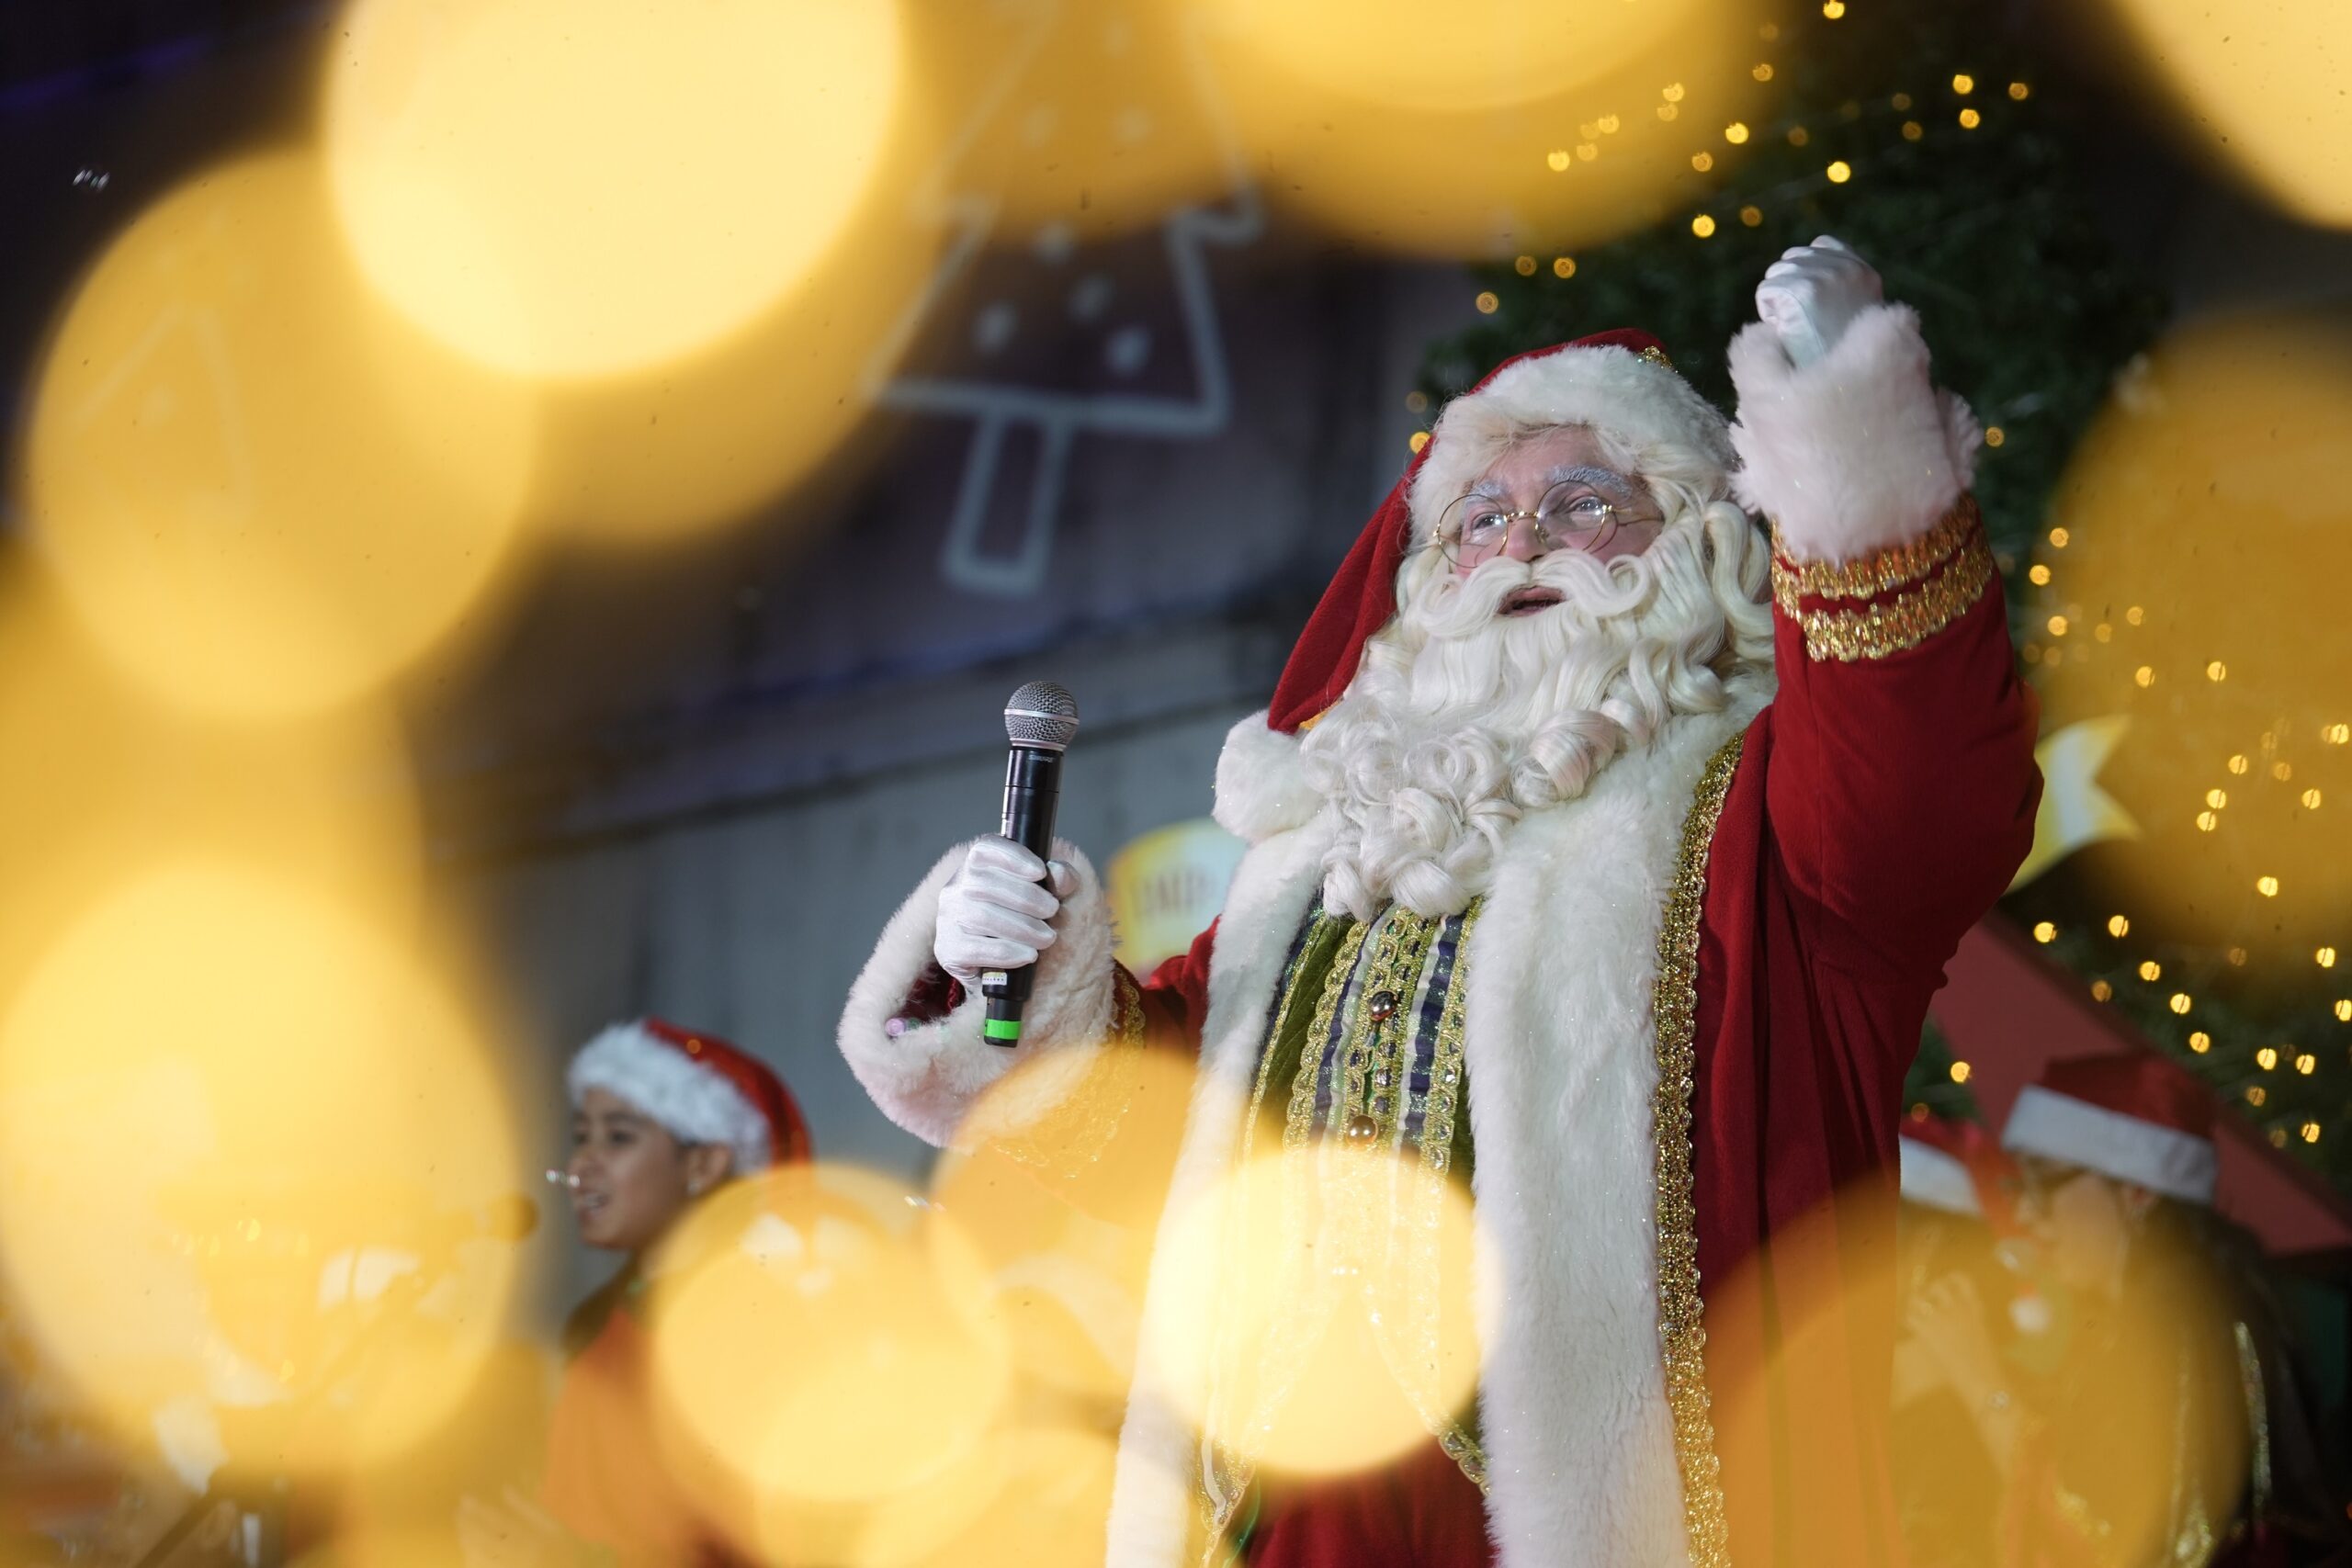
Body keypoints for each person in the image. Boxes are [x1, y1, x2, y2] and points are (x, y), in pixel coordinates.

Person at [842, 238, 2041, 1566]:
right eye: (1478, 516)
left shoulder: (1760, 815)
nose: (1522, 539)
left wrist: (1843, 428)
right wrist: (1013, 972)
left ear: (1699, 535)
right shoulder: (1326, 852)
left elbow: (1922, 779)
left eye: (1587, 500)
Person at [1905, 1053, 2350, 1567]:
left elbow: (2114, 1536)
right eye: (2018, 1186)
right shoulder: (2145, 1319)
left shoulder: (2183, 1325)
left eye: (2043, 1184)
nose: (2024, 1213)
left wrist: (1977, 1375)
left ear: (2136, 1190)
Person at [461, 1018, 810, 1568]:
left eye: (618, 1137)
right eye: (581, 1137)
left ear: (704, 1163)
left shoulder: (761, 1324)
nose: (582, 1165)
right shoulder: (595, 1321)